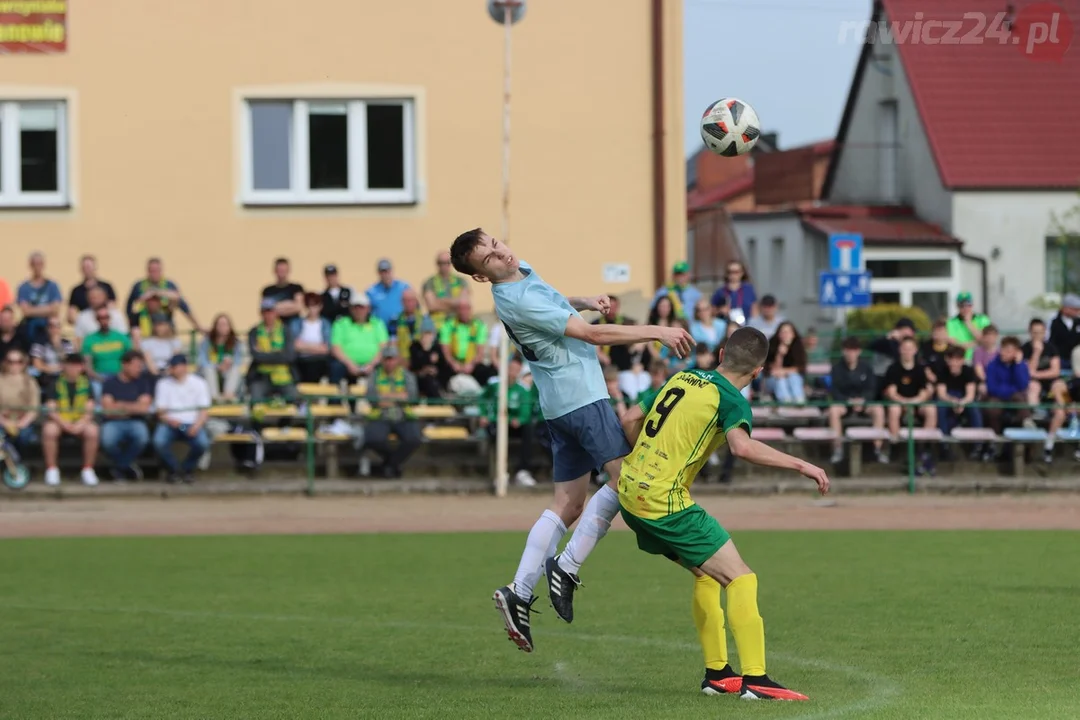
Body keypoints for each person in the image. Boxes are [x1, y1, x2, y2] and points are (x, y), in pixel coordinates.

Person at [449, 227, 693, 653]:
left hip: (559, 405)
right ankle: (566, 565)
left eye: (494, 242)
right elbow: (594, 336)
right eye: (487, 258)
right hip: (584, 399)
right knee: (627, 482)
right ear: (480, 277)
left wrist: (582, 302)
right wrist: (658, 330)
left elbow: (553, 298)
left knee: (568, 505)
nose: (499, 252)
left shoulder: (518, 273)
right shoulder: (517, 299)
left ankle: (519, 591)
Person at [616, 327, 828, 700]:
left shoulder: (680, 377)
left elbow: (630, 419)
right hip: (665, 504)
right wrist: (801, 465)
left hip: (630, 492)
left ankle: (717, 673)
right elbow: (742, 448)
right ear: (758, 372)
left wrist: (650, 464)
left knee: (707, 573)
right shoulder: (732, 399)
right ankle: (757, 680)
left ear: (720, 354)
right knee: (741, 578)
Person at [41, 353, 100, 487]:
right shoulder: (55, 383)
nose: (73, 368)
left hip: (80, 421)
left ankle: (88, 469)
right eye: (70, 365)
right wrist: (64, 424)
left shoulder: (87, 384)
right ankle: (51, 469)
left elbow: (90, 409)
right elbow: (51, 409)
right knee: (49, 430)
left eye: (77, 365)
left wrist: (81, 424)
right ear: (64, 366)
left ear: (82, 367)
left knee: (93, 431)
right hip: (60, 421)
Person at [479, 355, 538, 487]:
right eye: (511, 368)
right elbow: (482, 399)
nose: (512, 372)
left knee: (528, 429)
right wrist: (483, 415)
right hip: (496, 423)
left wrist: (519, 419)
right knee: (494, 432)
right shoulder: (494, 385)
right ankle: (499, 472)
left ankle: (523, 471)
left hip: (513, 426)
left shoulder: (523, 389)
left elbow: (526, 410)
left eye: (516, 370)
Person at [363, 347, 422, 478]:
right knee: (372, 439)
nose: (389, 363)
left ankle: (389, 465)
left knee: (414, 439)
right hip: (380, 415)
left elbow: (412, 397)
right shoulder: (374, 375)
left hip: (403, 415)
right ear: (382, 361)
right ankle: (393, 465)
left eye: (392, 359)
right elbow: (372, 399)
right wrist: (399, 397)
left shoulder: (407, 375)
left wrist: (385, 397)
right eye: (386, 359)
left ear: (398, 360)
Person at [827, 336, 886, 465]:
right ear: (843, 351)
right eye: (848, 350)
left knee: (879, 410)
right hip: (844, 404)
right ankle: (837, 449)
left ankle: (877, 449)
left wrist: (863, 400)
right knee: (833, 411)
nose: (850, 354)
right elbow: (835, 391)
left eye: (853, 350)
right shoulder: (836, 369)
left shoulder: (867, 368)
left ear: (858, 351)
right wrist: (848, 401)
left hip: (864, 404)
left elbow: (872, 389)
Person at [882, 336, 937, 473]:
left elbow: (925, 393)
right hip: (899, 403)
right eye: (904, 349)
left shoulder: (920, 369)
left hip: (916, 403)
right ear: (900, 350)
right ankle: (895, 446)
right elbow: (891, 392)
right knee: (894, 409)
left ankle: (923, 448)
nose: (907, 352)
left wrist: (912, 403)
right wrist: (904, 403)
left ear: (915, 350)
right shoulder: (893, 368)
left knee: (931, 409)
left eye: (910, 349)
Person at [153, 354, 211, 483]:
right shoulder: (163, 384)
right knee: (159, 442)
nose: (171, 370)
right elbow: (160, 411)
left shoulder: (199, 383)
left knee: (202, 444)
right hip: (169, 423)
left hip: (191, 423)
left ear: (184, 367)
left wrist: (196, 426)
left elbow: (204, 410)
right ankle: (174, 470)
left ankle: (187, 469)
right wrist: (170, 420)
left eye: (174, 366)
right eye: (171, 367)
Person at [99, 350, 153, 480]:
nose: (139, 369)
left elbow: (144, 408)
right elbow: (108, 409)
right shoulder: (110, 382)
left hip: (136, 421)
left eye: (140, 366)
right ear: (125, 365)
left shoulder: (143, 382)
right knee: (107, 441)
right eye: (136, 365)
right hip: (113, 422)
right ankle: (126, 465)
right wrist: (133, 406)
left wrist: (120, 405)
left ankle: (120, 467)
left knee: (142, 438)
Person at [935, 346, 984, 457]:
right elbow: (941, 394)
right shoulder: (942, 371)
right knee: (940, 408)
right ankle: (944, 443)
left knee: (974, 408)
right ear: (947, 360)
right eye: (951, 359)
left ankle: (978, 445)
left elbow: (970, 395)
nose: (954, 363)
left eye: (957, 360)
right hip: (948, 398)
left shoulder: (968, 371)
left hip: (964, 398)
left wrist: (962, 403)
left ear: (962, 360)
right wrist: (953, 401)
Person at [247, 298, 298, 402]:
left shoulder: (286, 330)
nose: (269, 315)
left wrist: (265, 354)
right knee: (256, 400)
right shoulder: (254, 332)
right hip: (261, 376)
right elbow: (256, 356)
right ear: (261, 313)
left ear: (276, 313)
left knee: (294, 398)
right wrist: (278, 354)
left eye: (271, 311)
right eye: (266, 312)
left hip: (283, 375)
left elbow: (289, 356)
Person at [983, 336, 1033, 440]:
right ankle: (995, 438)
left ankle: (1027, 425)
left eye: (1008, 351)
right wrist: (1010, 390)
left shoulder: (1021, 365)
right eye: (1002, 349)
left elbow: (1023, 385)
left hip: (1014, 396)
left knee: (1019, 398)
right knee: (992, 408)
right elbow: (991, 387)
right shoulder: (992, 365)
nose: (1003, 353)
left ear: (1016, 352)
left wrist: (1018, 365)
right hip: (997, 396)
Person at [197, 314, 245, 402]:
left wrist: (229, 363)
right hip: (211, 370)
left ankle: (228, 396)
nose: (223, 327)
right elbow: (202, 360)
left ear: (230, 327)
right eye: (220, 324)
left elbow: (238, 360)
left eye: (225, 324)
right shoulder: (207, 341)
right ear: (215, 326)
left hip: (227, 370)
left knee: (235, 369)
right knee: (209, 369)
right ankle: (214, 397)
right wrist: (217, 366)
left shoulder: (235, 342)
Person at [290, 293, 332, 384]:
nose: (312, 309)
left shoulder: (325, 324)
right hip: (300, 359)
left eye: (315, 305)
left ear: (320, 306)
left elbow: (326, 349)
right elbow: (294, 345)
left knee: (314, 368)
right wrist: (317, 347)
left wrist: (304, 346)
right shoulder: (297, 323)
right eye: (309, 305)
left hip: (319, 360)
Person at [422, 251, 469, 327]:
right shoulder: (429, 283)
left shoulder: (461, 281)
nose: (444, 266)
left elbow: (463, 303)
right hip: (437, 325)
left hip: (458, 326)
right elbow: (431, 306)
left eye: (447, 262)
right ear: (437, 264)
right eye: (441, 263)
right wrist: (454, 302)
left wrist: (441, 301)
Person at [66, 254, 117, 325]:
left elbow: (112, 309)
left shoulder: (106, 287)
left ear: (95, 268)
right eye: (85, 267)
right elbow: (71, 315)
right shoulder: (76, 291)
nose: (87, 270)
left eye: (89, 267)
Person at [763, 321, 806, 404]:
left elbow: (800, 368)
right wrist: (780, 355)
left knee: (793, 377)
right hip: (772, 381)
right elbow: (772, 371)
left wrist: (784, 371)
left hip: (792, 379)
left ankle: (799, 400)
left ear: (793, 334)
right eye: (783, 332)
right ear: (778, 334)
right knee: (780, 379)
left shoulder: (798, 347)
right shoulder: (772, 345)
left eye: (788, 332)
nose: (785, 334)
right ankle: (786, 402)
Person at [945, 292, 990, 362]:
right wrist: (975, 343)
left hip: (981, 357)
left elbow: (984, 340)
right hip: (960, 358)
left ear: (972, 305)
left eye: (968, 305)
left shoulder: (983, 319)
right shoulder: (951, 322)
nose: (965, 308)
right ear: (957, 306)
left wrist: (968, 323)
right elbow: (953, 343)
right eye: (962, 305)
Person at [366, 258, 411, 327]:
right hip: (381, 330)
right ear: (378, 273)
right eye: (382, 272)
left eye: (387, 271)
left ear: (391, 271)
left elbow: (413, 305)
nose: (385, 274)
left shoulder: (403, 287)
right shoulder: (372, 291)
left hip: (401, 327)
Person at [710, 261, 757, 326]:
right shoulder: (720, 291)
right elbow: (711, 311)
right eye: (730, 272)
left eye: (736, 272)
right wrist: (720, 311)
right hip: (727, 327)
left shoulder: (748, 289)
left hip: (746, 326)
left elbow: (754, 310)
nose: (733, 275)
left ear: (742, 273)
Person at [260, 257, 305, 322]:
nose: (281, 273)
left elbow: (298, 307)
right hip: (275, 325)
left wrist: (275, 307)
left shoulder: (297, 288)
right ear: (275, 271)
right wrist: (289, 304)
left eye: (284, 270)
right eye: (279, 270)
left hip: (292, 324)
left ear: (288, 271)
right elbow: (265, 310)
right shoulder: (267, 290)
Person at [1048, 293, 1080, 372]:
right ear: (1065, 308)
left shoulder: (1078, 322)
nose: (1077, 312)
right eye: (1075, 309)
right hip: (1061, 359)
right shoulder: (1054, 323)